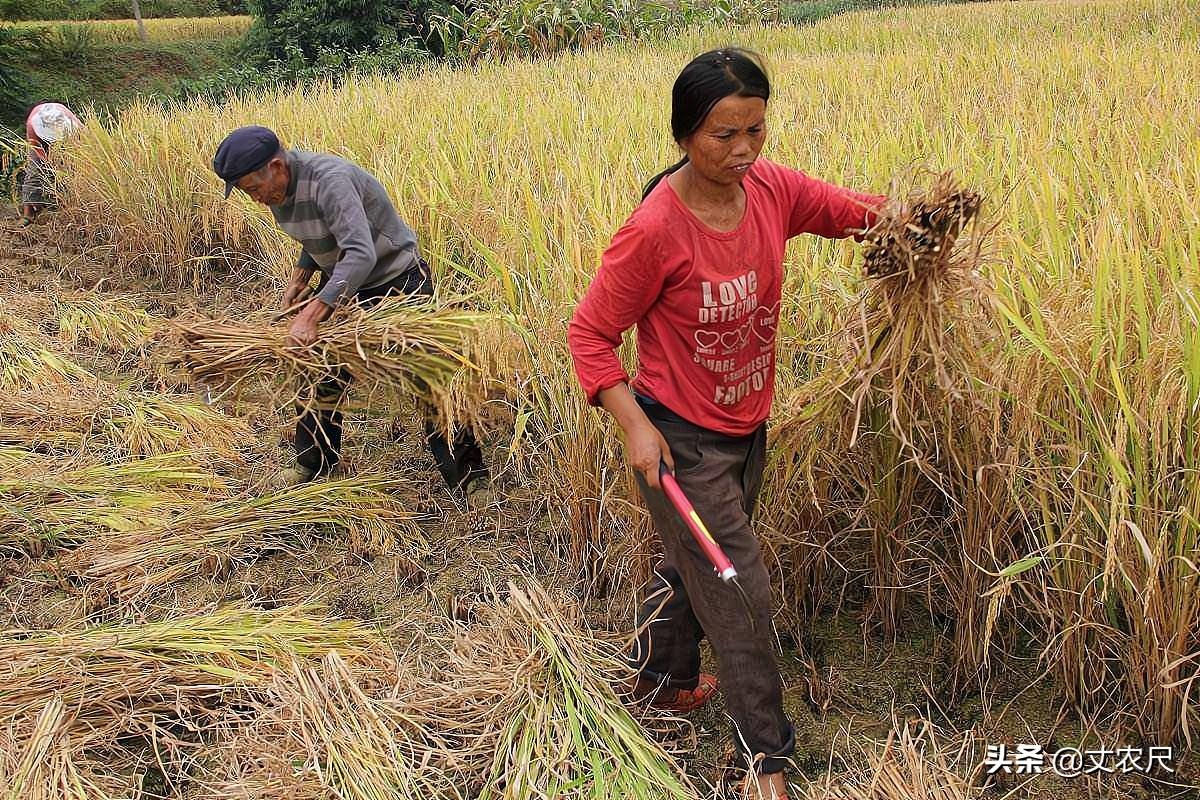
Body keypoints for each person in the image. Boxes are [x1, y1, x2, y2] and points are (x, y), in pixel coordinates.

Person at [567, 49, 885, 800]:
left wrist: (908, 223)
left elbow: (843, 210)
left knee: (695, 565)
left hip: (747, 424)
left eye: (755, 130)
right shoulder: (654, 230)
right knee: (739, 591)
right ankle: (763, 759)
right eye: (722, 135)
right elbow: (588, 334)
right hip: (680, 439)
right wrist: (633, 426)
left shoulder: (768, 188)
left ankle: (660, 681)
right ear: (683, 135)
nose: (743, 151)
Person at [211, 125, 488, 496]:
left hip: (396, 282)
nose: (255, 197)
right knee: (318, 368)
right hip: (346, 283)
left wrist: (310, 315)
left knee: (430, 375)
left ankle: (469, 474)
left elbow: (360, 251)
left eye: (252, 188)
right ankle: (314, 461)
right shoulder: (280, 191)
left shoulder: (331, 181)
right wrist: (301, 276)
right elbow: (322, 232)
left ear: (276, 166)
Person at [19, 101, 82, 226]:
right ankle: (28, 214)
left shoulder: (75, 126)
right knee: (34, 171)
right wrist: (49, 162)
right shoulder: (32, 124)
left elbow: (81, 146)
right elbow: (37, 150)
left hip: (66, 140)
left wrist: (65, 165)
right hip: (39, 139)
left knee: (71, 173)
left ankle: (69, 208)